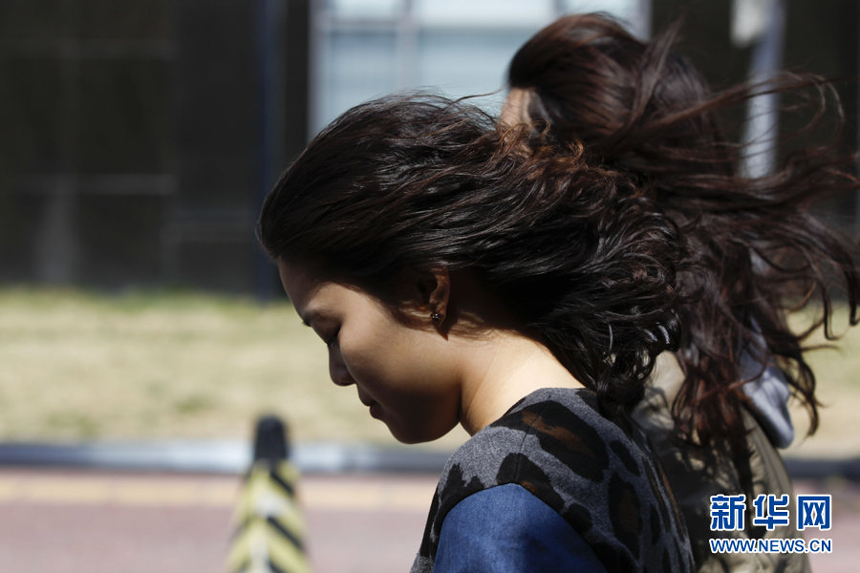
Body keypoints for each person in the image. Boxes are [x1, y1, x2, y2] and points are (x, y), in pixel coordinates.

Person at [258, 94, 695, 572]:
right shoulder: (611, 430)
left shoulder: (504, 503)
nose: (337, 373)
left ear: (429, 291)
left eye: (331, 331)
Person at [504, 13, 860, 571]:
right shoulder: (708, 330)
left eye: (513, 155)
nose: (496, 179)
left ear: (587, 177)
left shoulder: (644, 378)